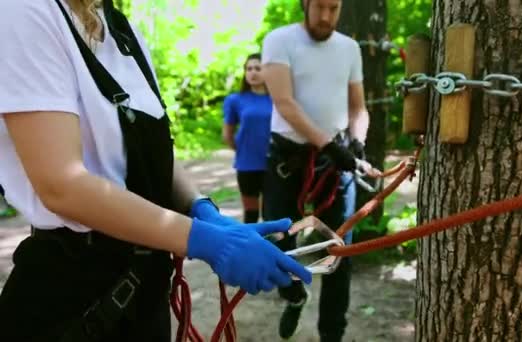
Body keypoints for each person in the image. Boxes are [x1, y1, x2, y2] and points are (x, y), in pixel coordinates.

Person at [0, 1, 311, 341]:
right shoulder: (24, 12)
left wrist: (200, 208)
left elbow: (151, 149)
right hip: (72, 305)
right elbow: (62, 184)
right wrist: (203, 240)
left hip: (144, 295)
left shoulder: (122, 30)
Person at [261, 0, 377, 340]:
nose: (326, 16)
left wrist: (357, 142)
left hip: (335, 163)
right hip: (288, 160)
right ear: (305, 4)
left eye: (334, 8)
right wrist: (329, 145)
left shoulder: (349, 48)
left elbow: (359, 108)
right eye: (320, 7)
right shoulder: (279, 40)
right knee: (279, 244)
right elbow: (284, 103)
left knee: (340, 253)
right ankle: (294, 296)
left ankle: (332, 335)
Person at [222, 53, 273, 223]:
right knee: (251, 214)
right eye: (249, 68)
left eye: (258, 68)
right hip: (247, 163)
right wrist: (242, 148)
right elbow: (227, 133)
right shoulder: (235, 99)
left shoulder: (279, 98)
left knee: (271, 213)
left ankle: (273, 248)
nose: (253, 72)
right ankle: (249, 247)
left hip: (275, 163)